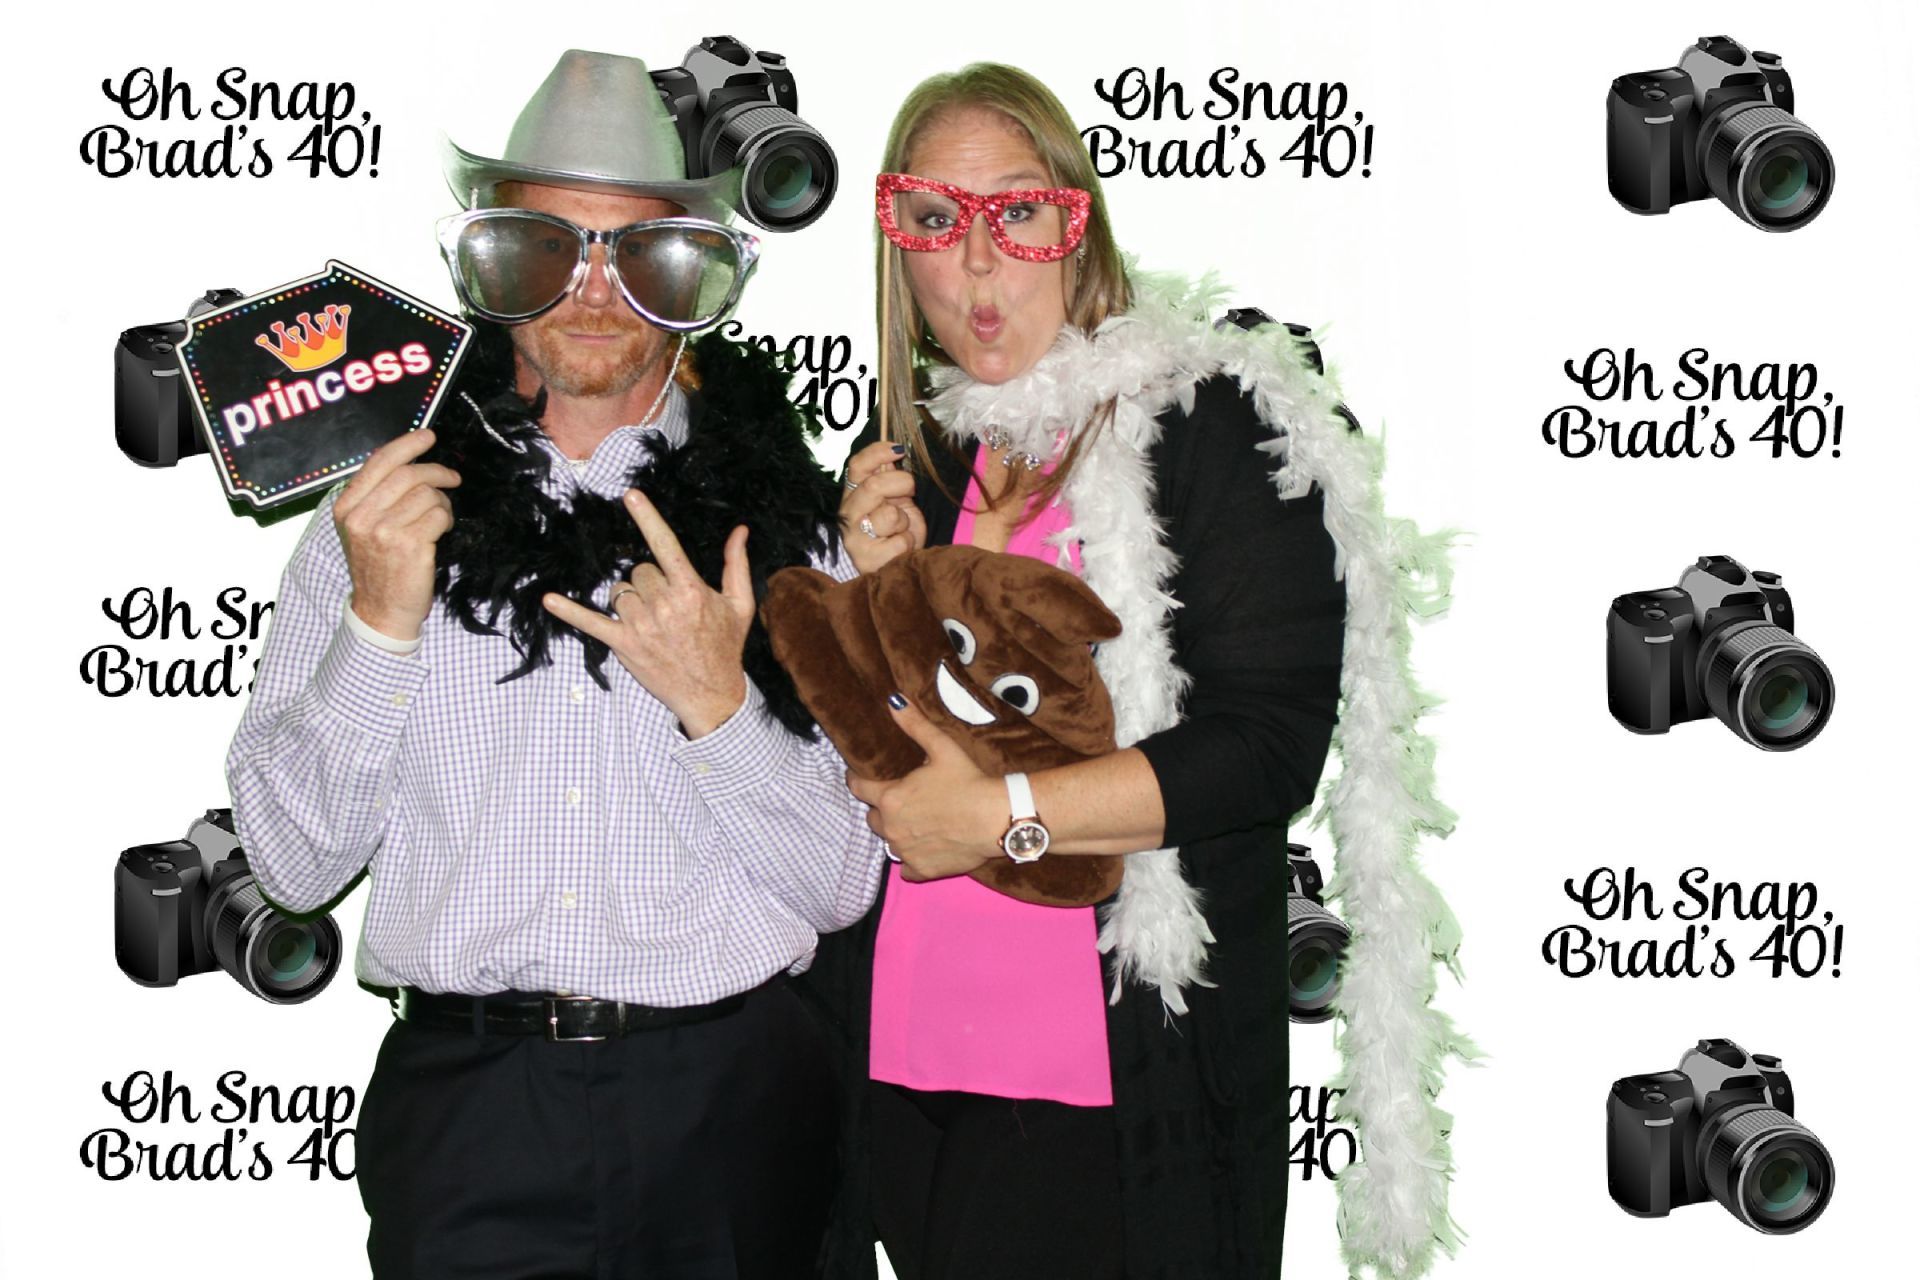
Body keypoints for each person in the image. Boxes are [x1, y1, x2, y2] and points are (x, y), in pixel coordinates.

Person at [227, 50, 885, 1279]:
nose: (593, 291)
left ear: (699, 267)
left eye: (638, 250)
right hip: (473, 1117)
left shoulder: (797, 527)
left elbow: (846, 881)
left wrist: (720, 705)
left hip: (733, 1108)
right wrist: (379, 620)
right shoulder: (380, 514)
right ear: (489, 262)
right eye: (549, 246)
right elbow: (292, 863)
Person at [807, 64, 1463, 1280]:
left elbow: (1263, 743)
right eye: (936, 222)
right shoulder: (910, 461)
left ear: (1080, 225)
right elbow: (884, 772)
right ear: (900, 249)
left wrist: (999, 821)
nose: (981, 265)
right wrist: (881, 598)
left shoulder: (1206, 417)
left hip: (1105, 1077)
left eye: (1021, 213)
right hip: (902, 1057)